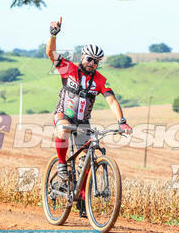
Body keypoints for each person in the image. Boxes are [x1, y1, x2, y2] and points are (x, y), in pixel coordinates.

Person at [46, 16, 132, 217]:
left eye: (97, 61)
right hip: (63, 115)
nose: (93, 64)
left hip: (84, 122)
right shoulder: (69, 69)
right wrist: (53, 34)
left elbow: (111, 99)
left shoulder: (100, 80)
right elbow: (50, 53)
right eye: (89, 59)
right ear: (82, 57)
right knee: (64, 129)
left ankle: (83, 198)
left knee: (88, 156)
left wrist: (122, 122)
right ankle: (60, 163)